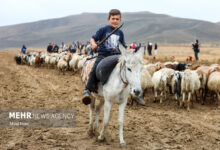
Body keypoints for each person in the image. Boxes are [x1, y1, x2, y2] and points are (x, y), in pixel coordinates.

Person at [82, 9, 126, 105]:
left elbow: (123, 45)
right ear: (108, 19)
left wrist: (128, 51)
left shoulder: (120, 33)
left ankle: (127, 90)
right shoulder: (103, 30)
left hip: (116, 56)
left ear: (120, 20)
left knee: (126, 69)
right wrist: (93, 44)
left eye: (117, 19)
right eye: (113, 18)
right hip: (103, 55)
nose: (115, 21)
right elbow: (93, 38)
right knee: (94, 69)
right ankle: (87, 91)